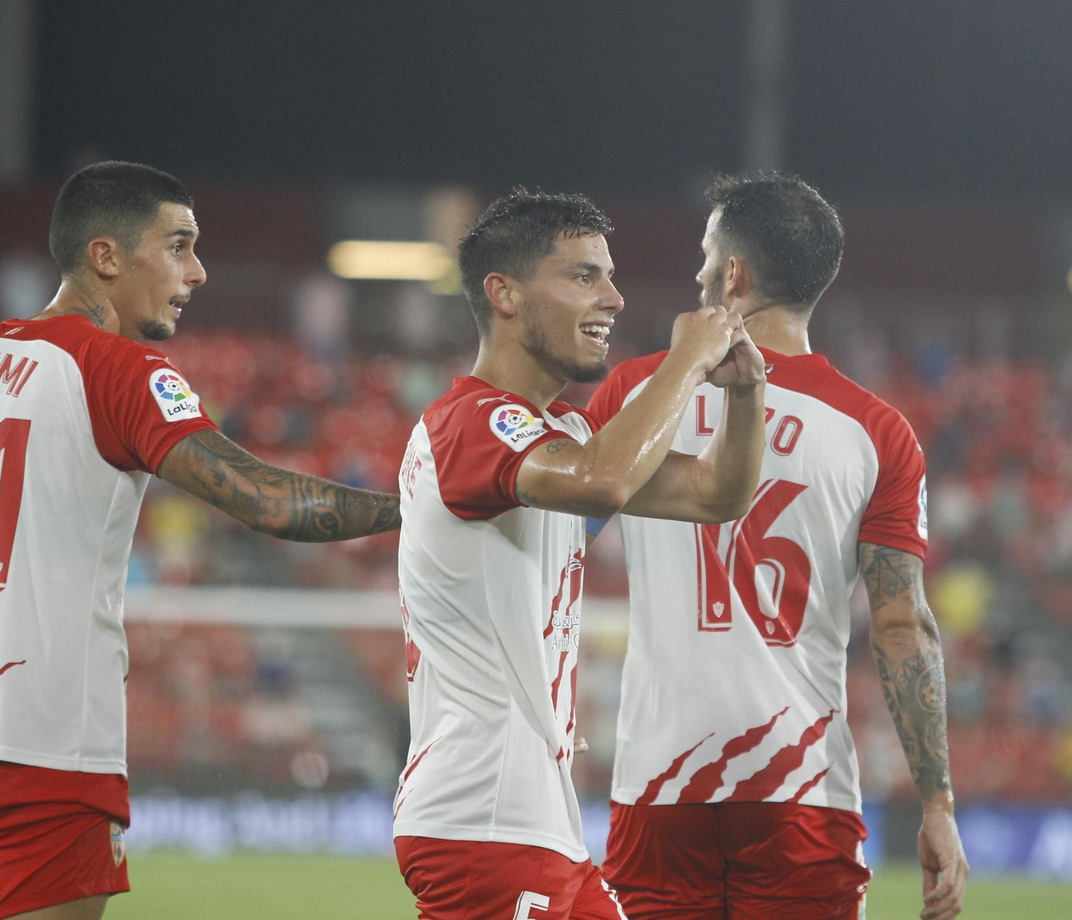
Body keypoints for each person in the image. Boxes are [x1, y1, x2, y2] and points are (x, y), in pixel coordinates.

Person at [0, 162, 402, 920]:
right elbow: (268, 501)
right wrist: (417, 504)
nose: (198, 271)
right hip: (45, 759)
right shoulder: (114, 369)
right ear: (107, 256)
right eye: (179, 246)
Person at [587, 173, 969, 920]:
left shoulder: (632, 396)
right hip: (801, 788)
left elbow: (549, 554)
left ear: (734, 273)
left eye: (707, 255)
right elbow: (902, 626)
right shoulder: (877, 432)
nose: (699, 272)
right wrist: (937, 801)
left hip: (659, 781)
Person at [393, 190, 768, 920]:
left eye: (611, 275)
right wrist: (688, 360)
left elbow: (718, 494)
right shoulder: (471, 422)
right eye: (584, 276)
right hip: (486, 817)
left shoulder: (550, 431)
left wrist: (746, 390)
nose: (615, 297)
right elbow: (605, 481)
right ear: (503, 293)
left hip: (533, 820)